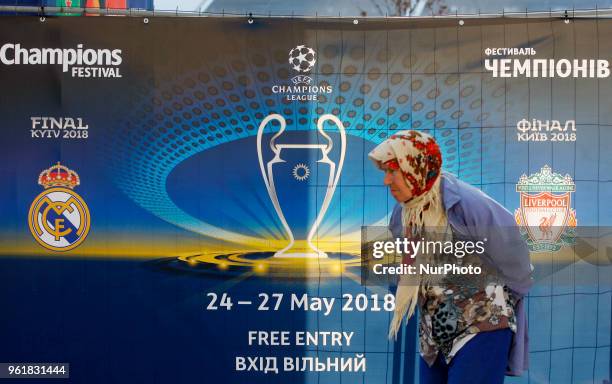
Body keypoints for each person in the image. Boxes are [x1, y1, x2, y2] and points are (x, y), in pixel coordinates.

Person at [368, 130, 533, 384]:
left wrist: (497, 304)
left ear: (416, 167)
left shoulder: (466, 203)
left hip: (480, 327)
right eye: (385, 173)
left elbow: (516, 260)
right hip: (435, 334)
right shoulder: (403, 214)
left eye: (393, 171)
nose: (386, 181)